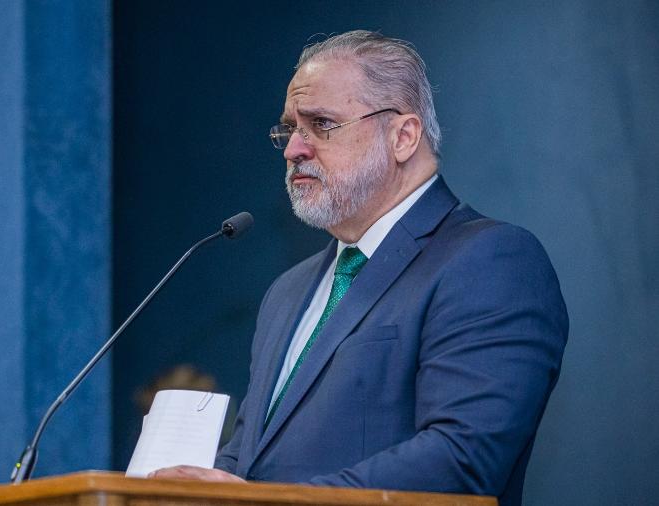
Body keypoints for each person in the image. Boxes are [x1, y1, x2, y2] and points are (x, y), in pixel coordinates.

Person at [150, 30, 568, 506]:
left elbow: (462, 460)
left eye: (322, 125)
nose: (293, 150)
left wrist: (266, 503)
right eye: (289, 130)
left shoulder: (490, 261)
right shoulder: (288, 291)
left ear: (403, 136)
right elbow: (249, 460)